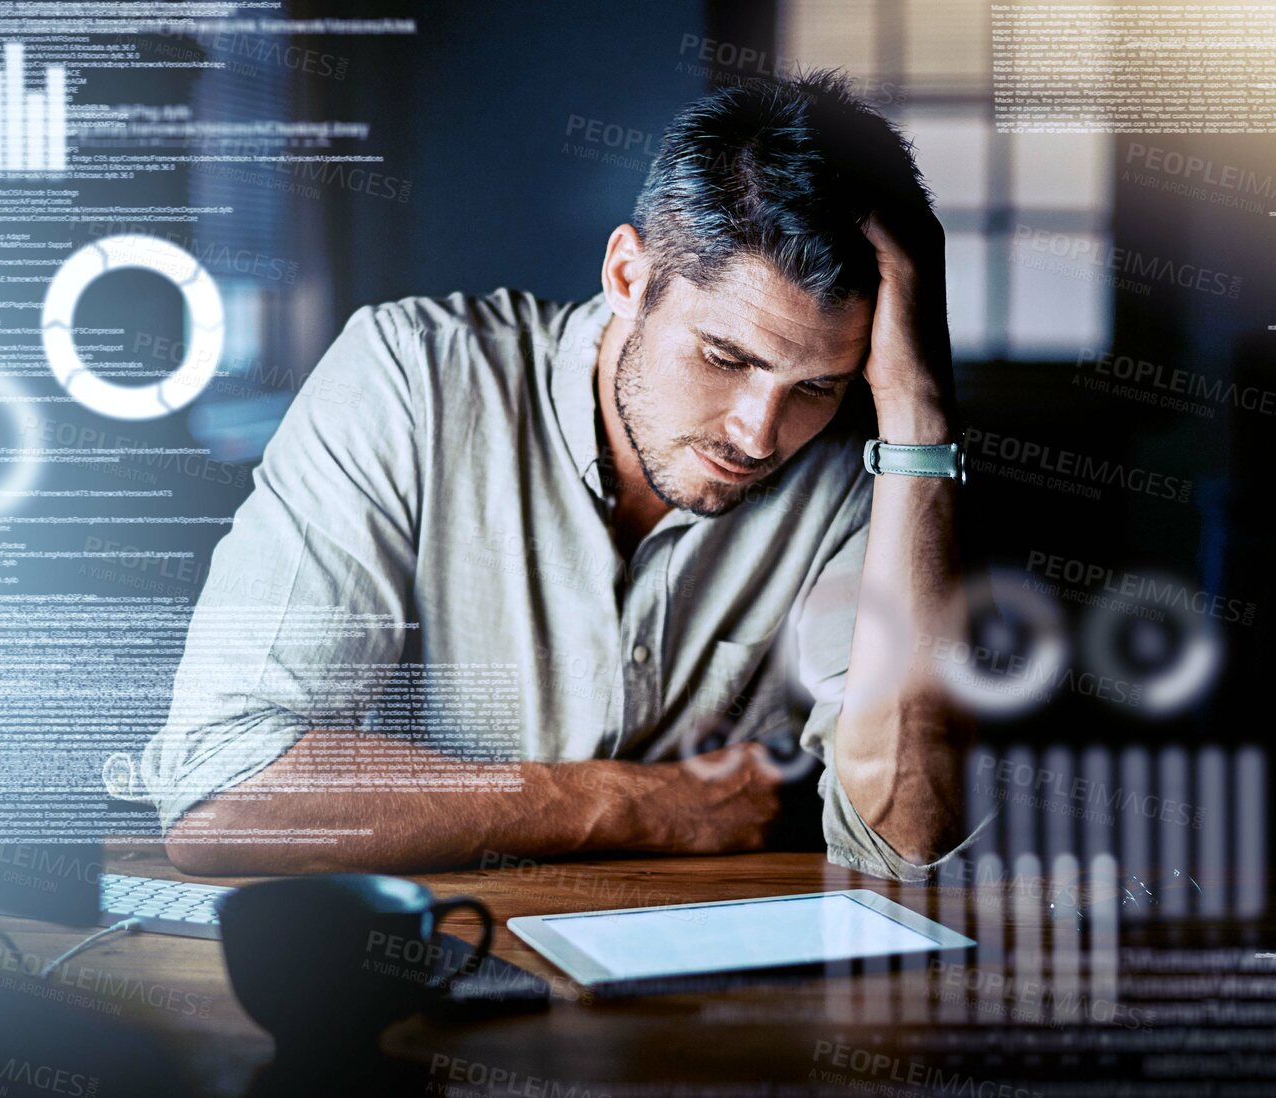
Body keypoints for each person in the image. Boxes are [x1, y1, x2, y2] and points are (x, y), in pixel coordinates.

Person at [144, 71, 982, 881]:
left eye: (816, 388)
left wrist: (919, 413)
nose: (759, 434)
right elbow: (221, 790)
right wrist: (633, 805)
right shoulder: (411, 378)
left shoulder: (866, 464)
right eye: (725, 357)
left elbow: (903, 844)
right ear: (629, 276)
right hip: (422, 982)